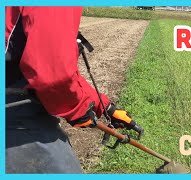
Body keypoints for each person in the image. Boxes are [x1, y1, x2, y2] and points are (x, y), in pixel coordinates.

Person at [5, 6, 137, 174]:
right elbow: (53, 74)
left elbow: (57, 70)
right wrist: (79, 110)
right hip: (15, 113)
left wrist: (105, 107)